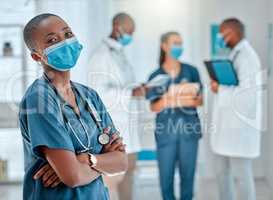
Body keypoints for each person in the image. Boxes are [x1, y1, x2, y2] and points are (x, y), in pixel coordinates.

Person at [19, 13, 128, 200]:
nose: (64, 42)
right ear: (37, 57)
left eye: (67, 34)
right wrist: (100, 162)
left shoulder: (89, 95)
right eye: (52, 40)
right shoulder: (40, 99)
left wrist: (84, 160)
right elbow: (73, 176)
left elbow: (121, 162)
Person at [88, 13, 145, 200]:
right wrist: (132, 93)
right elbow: (99, 93)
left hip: (130, 132)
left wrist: (138, 89)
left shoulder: (119, 54)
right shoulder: (101, 55)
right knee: (112, 184)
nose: (130, 35)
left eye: (132, 32)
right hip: (115, 133)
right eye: (128, 31)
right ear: (116, 26)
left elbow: (125, 86)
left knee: (128, 181)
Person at [210, 18, 266, 200]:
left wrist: (221, 89)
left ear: (232, 33)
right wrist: (219, 86)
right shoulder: (235, 54)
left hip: (240, 131)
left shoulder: (248, 57)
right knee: (222, 174)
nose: (219, 37)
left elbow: (247, 96)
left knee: (242, 176)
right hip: (227, 129)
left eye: (222, 33)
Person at [146, 32, 203, 200]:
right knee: (166, 179)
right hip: (166, 134)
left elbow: (198, 101)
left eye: (181, 43)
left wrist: (169, 98)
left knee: (188, 177)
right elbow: (154, 106)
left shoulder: (192, 71)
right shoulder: (155, 76)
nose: (179, 47)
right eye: (175, 43)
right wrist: (182, 96)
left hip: (189, 132)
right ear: (164, 45)